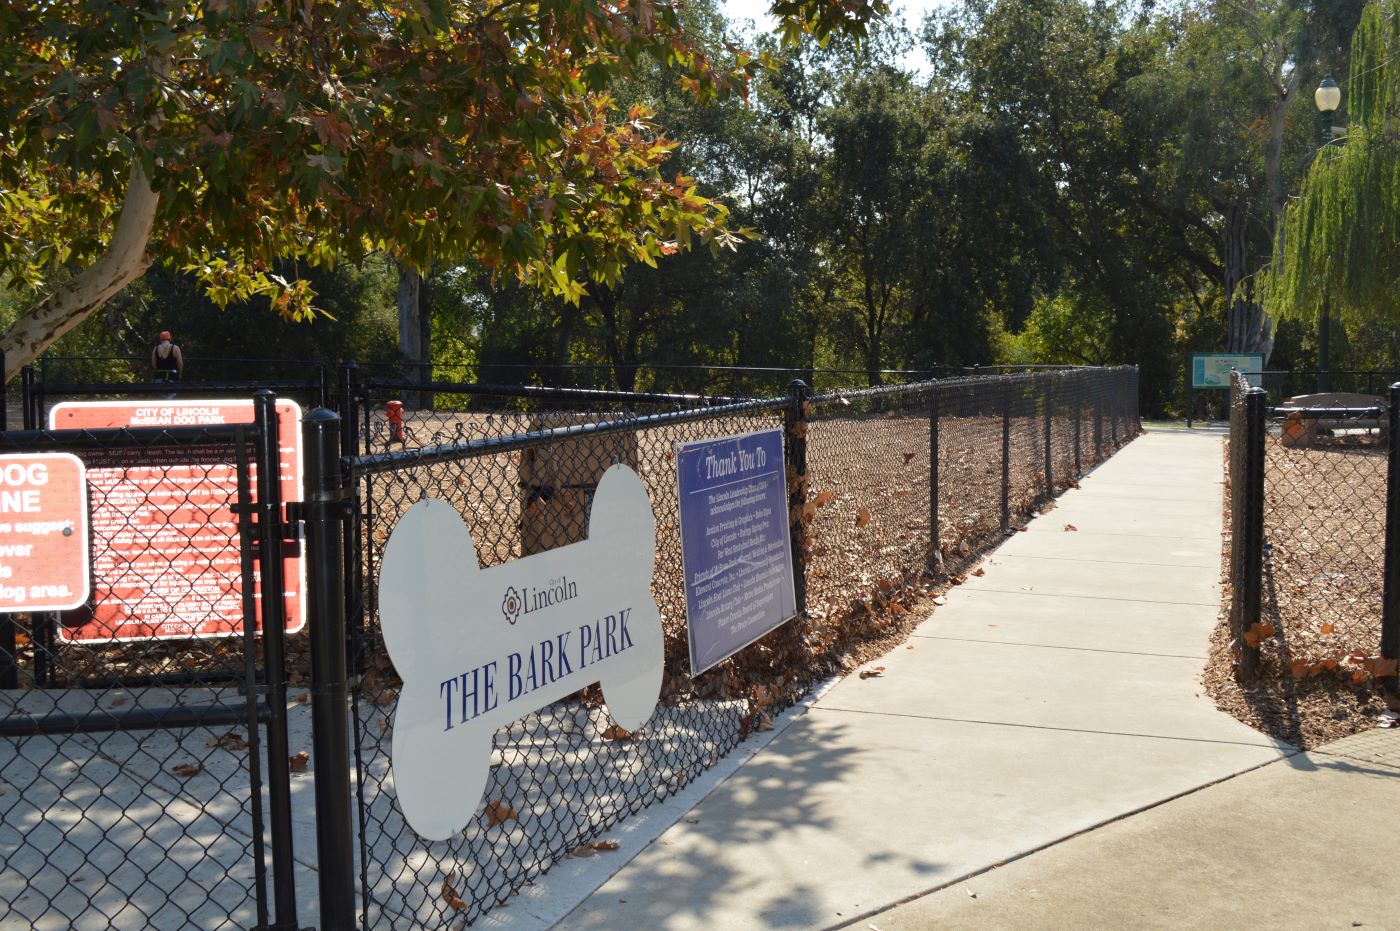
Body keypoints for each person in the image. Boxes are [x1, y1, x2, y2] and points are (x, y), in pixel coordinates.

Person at [151, 330, 183, 396]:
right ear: (169, 338)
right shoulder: (175, 348)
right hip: (173, 376)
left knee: (162, 397)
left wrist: (157, 371)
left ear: (160, 339)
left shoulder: (156, 348)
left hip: (160, 376)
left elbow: (154, 364)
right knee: (172, 397)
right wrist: (180, 374)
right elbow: (180, 363)